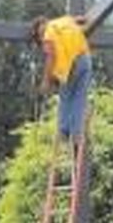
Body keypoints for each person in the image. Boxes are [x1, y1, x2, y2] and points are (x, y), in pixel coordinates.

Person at [30, 15, 93, 146]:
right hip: (85, 59)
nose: (41, 38)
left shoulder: (48, 32)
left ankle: (63, 131)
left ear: (41, 26)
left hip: (71, 66)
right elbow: (80, 19)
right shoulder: (64, 20)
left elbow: (51, 58)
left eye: (39, 35)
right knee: (79, 99)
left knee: (65, 97)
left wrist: (46, 81)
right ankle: (76, 133)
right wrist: (85, 20)